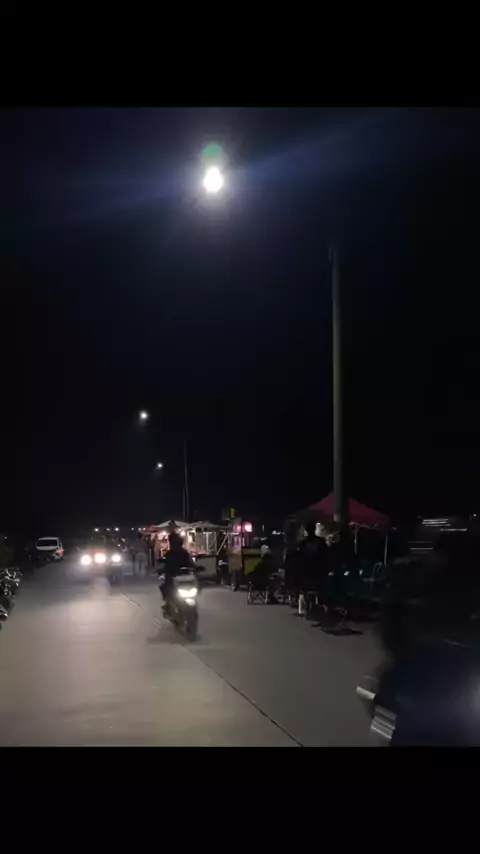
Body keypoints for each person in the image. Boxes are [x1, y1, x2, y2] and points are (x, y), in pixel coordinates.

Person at [159, 536, 195, 612]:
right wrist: (161, 569)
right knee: (164, 587)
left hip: (184, 579)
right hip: (173, 578)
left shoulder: (183, 553)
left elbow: (191, 563)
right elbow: (163, 564)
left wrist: (196, 567)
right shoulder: (170, 554)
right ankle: (168, 603)